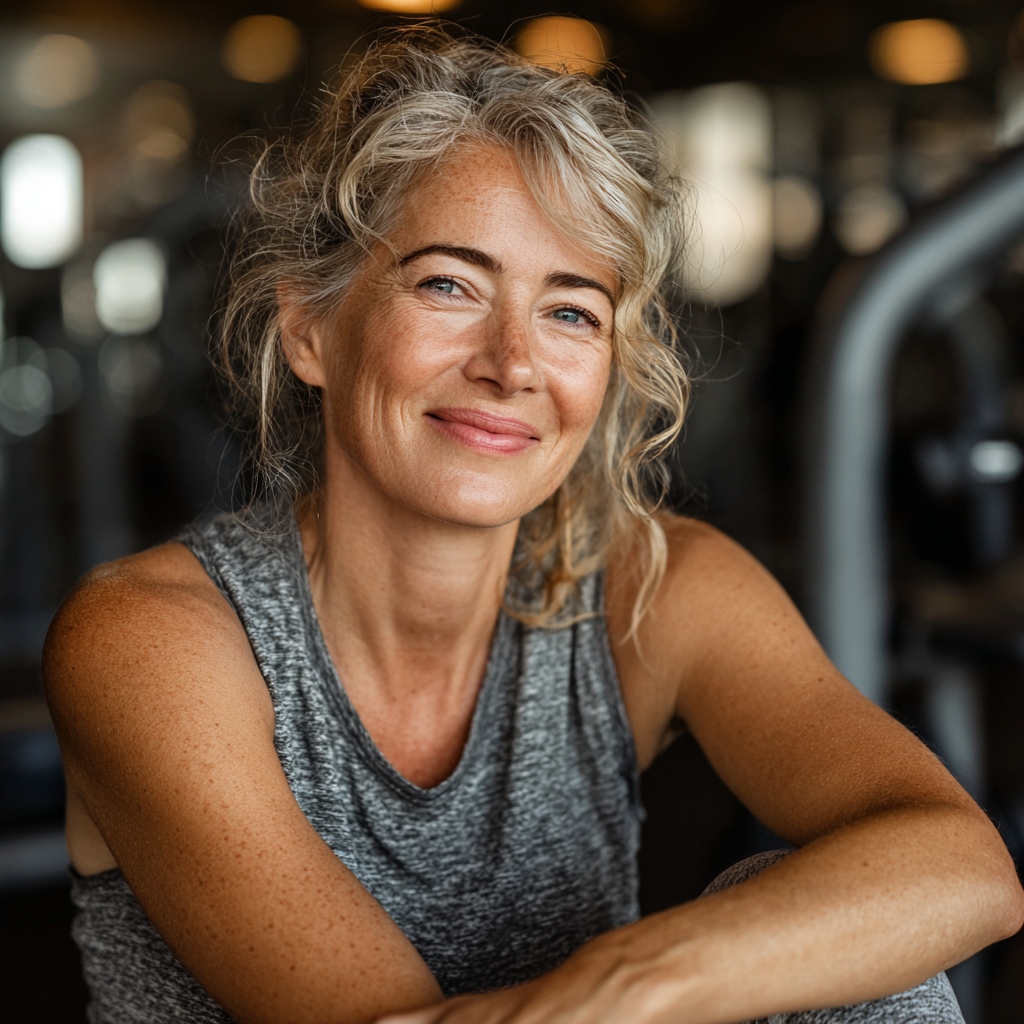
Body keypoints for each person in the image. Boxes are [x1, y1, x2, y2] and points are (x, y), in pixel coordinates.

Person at [44, 29, 1022, 1024]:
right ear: (310, 329)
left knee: (852, 941)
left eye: (570, 313)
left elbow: (966, 867)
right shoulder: (149, 640)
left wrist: (643, 976)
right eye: (449, 284)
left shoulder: (651, 583)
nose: (512, 364)